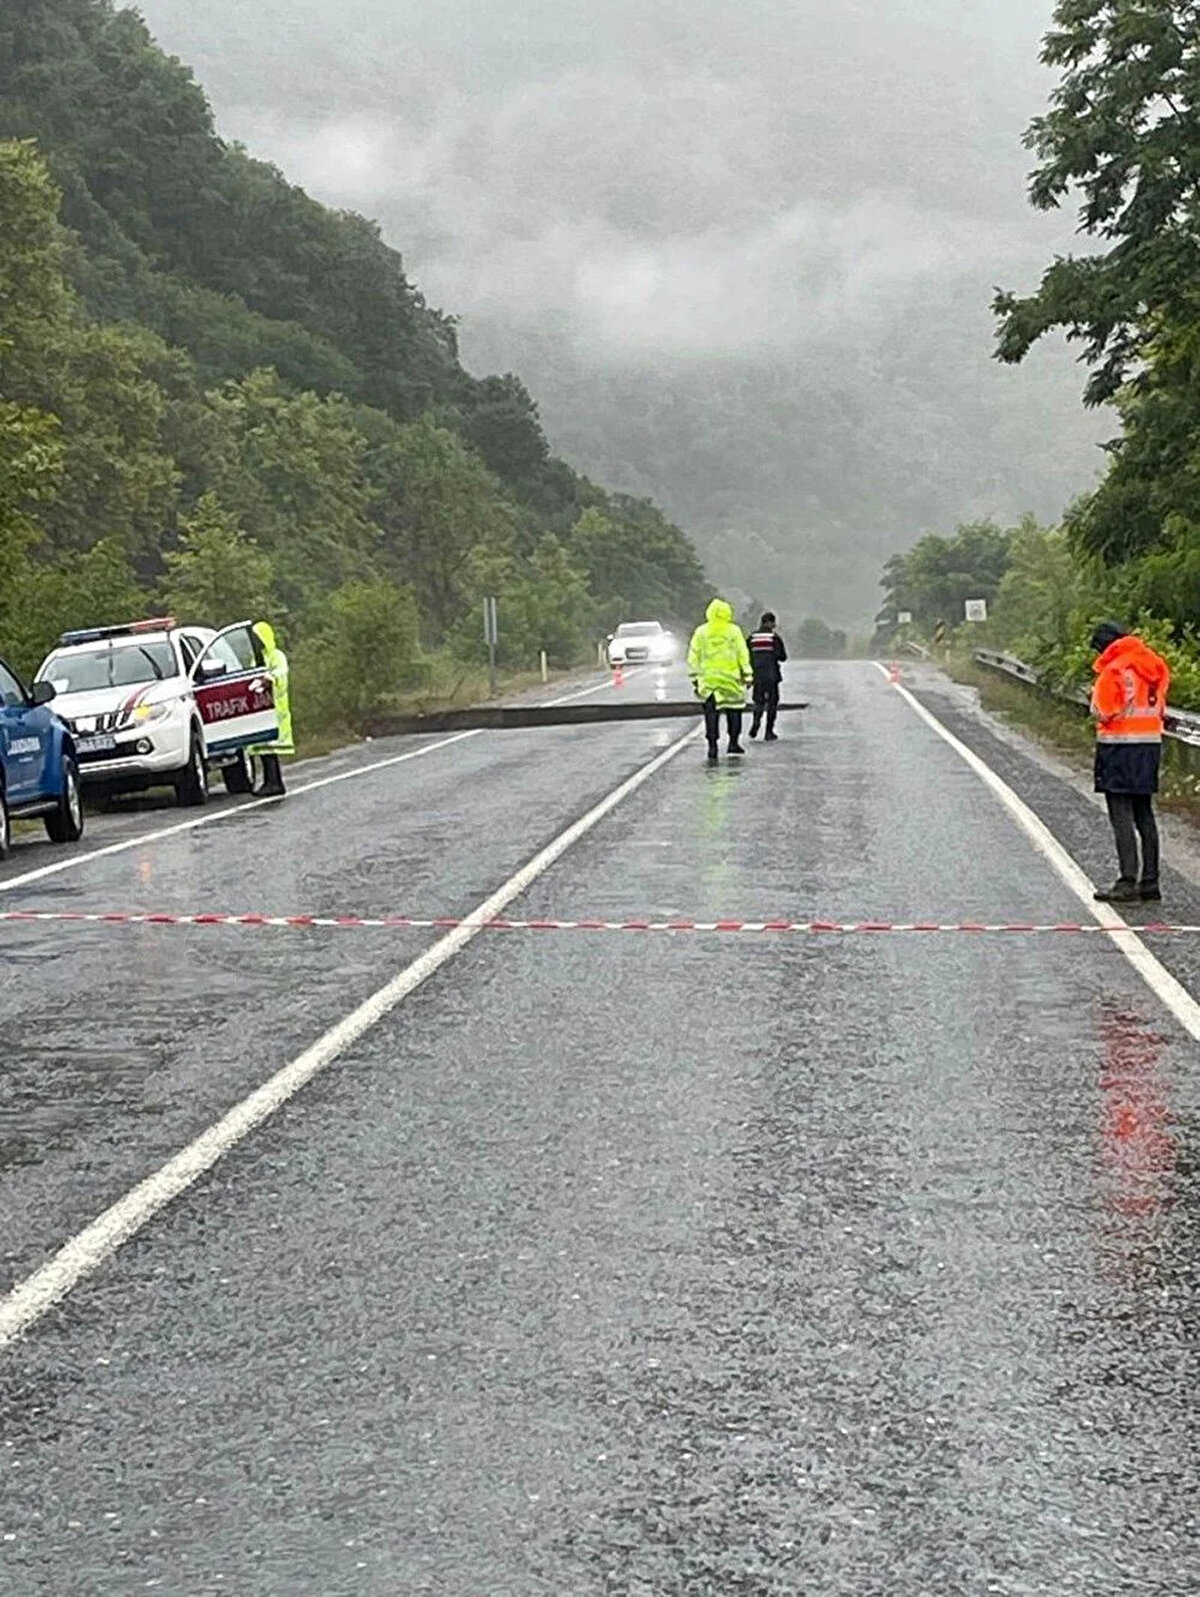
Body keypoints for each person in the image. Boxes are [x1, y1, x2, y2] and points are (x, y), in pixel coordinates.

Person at [1090, 621, 1170, 903]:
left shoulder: (1114, 669)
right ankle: (1150, 882)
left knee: (1120, 813)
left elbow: (1103, 711)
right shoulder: (1155, 664)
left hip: (1119, 747)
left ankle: (1127, 881)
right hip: (1150, 745)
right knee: (1144, 813)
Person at [687, 598, 752, 761]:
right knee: (734, 711)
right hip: (731, 679)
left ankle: (712, 746)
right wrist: (748, 674)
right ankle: (733, 742)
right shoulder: (734, 631)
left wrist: (694, 676)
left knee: (711, 714)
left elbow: (693, 654)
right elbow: (742, 653)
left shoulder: (701, 632)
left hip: (708, 680)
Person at [250, 620, 294, 796]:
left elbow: (281, 673)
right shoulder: (256, 658)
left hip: (277, 709)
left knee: (271, 748)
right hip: (262, 707)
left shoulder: (277, 656)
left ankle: (275, 782)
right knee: (264, 747)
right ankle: (271, 782)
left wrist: (269, 679)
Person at [747, 611, 788, 740]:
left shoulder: (752, 638)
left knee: (758, 702)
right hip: (772, 675)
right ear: (770, 623)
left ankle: (756, 722)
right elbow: (782, 657)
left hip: (757, 675)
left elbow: (746, 656)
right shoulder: (774, 638)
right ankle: (769, 732)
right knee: (772, 703)